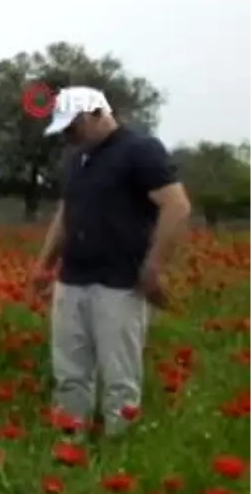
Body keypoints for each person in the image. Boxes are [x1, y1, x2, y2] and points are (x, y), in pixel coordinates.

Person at [28, 86, 192, 438]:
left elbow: (176, 205)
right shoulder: (77, 158)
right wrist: (44, 264)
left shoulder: (140, 150)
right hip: (72, 278)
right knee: (70, 372)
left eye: (73, 128)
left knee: (120, 376)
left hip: (119, 282)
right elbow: (66, 212)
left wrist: (153, 267)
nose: (68, 138)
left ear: (96, 114)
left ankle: (120, 449)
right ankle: (70, 445)